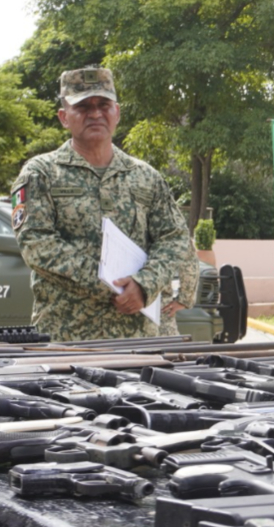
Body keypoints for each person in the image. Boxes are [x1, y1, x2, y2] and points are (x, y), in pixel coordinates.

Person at [11, 67, 197, 342]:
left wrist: (144, 285)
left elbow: (175, 238)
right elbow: (37, 245)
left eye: (103, 105)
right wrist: (114, 288)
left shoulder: (146, 177)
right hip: (67, 337)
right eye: (83, 106)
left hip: (140, 339)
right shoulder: (40, 173)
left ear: (117, 113)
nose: (95, 113)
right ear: (64, 117)